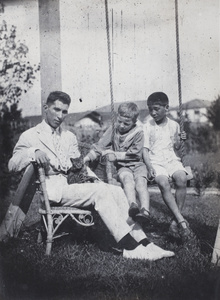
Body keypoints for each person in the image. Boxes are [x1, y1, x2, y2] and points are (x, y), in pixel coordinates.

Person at [8, 91, 175, 261]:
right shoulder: (31, 135)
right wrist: (33, 151)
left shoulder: (68, 136)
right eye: (56, 110)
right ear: (46, 108)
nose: (60, 116)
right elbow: (12, 164)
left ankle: (146, 243)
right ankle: (130, 247)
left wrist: (94, 179)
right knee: (100, 193)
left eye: (64, 111)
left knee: (116, 191)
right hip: (54, 190)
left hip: (73, 185)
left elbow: (79, 166)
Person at [84, 102, 150, 224]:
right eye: (120, 121)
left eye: (126, 123)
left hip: (138, 164)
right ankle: (133, 206)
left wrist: (115, 154)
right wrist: (89, 157)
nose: (122, 125)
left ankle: (145, 211)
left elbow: (135, 153)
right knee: (127, 180)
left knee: (141, 183)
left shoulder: (138, 132)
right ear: (118, 117)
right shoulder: (114, 129)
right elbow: (101, 145)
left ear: (134, 122)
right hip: (123, 166)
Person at [142, 92, 194, 241]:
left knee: (181, 178)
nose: (153, 113)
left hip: (172, 159)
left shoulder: (174, 125)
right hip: (155, 161)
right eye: (150, 109)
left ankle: (174, 221)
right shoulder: (147, 126)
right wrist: (149, 166)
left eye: (156, 109)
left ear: (166, 108)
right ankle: (181, 221)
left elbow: (176, 147)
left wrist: (181, 140)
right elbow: (145, 150)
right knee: (163, 183)